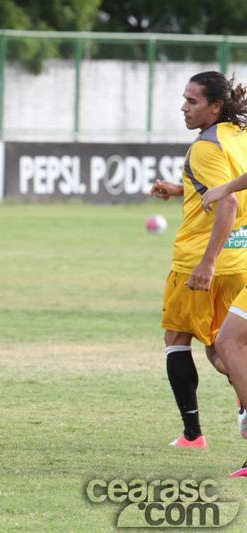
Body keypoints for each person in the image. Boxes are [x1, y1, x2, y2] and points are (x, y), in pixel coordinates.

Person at [149, 71, 247, 449]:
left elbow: (229, 201)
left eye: (192, 101)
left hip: (200, 259)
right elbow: (226, 187)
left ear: (215, 106)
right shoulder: (237, 135)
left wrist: (206, 262)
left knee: (179, 339)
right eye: (184, 99)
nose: (183, 107)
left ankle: (193, 435)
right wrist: (183, 189)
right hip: (238, 258)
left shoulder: (205, 146)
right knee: (226, 349)